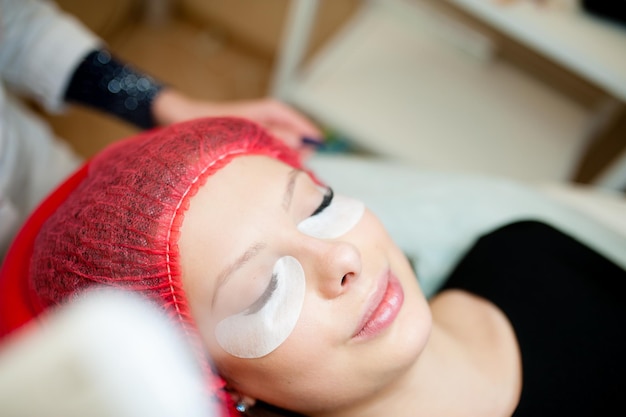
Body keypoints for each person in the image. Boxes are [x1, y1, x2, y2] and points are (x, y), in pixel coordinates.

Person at [0, 116, 624, 417]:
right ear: (222, 384)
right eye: (264, 289)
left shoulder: (523, 252)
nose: (342, 258)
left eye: (319, 206)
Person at [0, 0, 322, 261]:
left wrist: (169, 108)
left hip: (29, 161)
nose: (343, 256)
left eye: (324, 205)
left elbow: (14, 26)